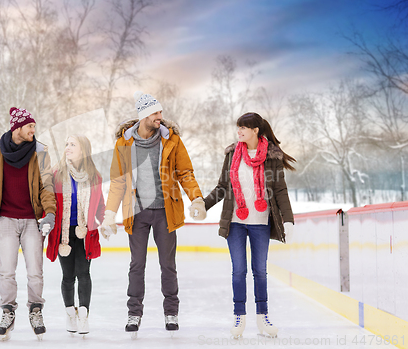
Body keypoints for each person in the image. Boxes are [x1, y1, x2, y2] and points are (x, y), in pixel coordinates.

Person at [98, 91, 207, 335]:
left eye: (160, 112)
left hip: (165, 213)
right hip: (136, 214)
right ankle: (134, 314)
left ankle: (171, 312)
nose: (160, 116)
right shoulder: (124, 144)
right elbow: (118, 182)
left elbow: (185, 173)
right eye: (156, 112)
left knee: (167, 265)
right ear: (144, 115)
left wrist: (196, 198)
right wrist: (109, 215)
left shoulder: (171, 140)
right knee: (137, 265)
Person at [0, 107, 56, 342]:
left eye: (34, 127)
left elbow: (46, 185)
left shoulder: (40, 152)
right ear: (17, 128)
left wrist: (50, 212)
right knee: (6, 271)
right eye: (30, 127)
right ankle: (8, 312)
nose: (33, 131)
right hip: (7, 219)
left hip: (32, 220)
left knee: (35, 271)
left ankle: (36, 310)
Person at [203, 112, 295, 338]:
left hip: (261, 222)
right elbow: (223, 186)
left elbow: (280, 190)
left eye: (244, 128)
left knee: (260, 272)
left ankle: (263, 318)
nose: (239, 132)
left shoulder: (272, 157)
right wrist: (204, 205)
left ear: (256, 130)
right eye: (238, 127)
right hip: (235, 222)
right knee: (238, 271)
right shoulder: (232, 154)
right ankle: (239, 316)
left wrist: (288, 219)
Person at [46, 134, 105, 336]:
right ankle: (70, 312)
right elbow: (48, 202)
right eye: (66, 144)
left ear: (83, 150)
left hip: (84, 233)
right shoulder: (56, 174)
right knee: (68, 276)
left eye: (73, 144)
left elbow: (100, 206)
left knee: (84, 273)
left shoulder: (94, 176)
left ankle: (84, 316)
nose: (68, 147)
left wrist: (104, 222)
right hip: (62, 234)